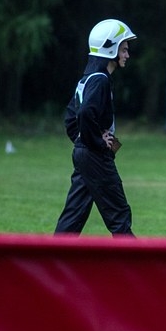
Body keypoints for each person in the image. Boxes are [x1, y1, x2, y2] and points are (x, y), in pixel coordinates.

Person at [55, 19, 138, 236]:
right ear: (111, 48)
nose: (127, 55)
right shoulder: (101, 80)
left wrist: (82, 141)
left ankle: (53, 255)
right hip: (95, 157)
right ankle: (136, 258)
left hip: (84, 154)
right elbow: (84, 113)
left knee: (73, 216)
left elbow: (70, 118)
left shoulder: (88, 78)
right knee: (119, 216)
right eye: (124, 49)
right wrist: (97, 142)